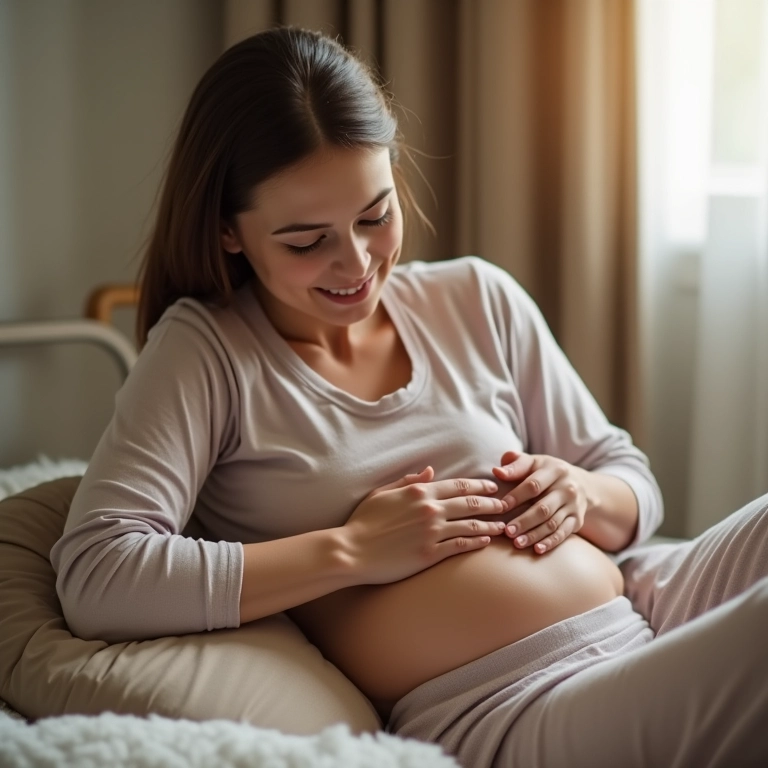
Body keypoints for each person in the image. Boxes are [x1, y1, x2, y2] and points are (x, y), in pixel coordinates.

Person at [50, 26, 768, 768]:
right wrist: (351, 550)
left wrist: (583, 492)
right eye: (306, 240)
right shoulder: (208, 353)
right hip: (515, 699)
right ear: (230, 232)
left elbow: (629, 479)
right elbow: (100, 573)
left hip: (646, 597)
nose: (356, 263)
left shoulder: (476, 296)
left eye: (375, 215)